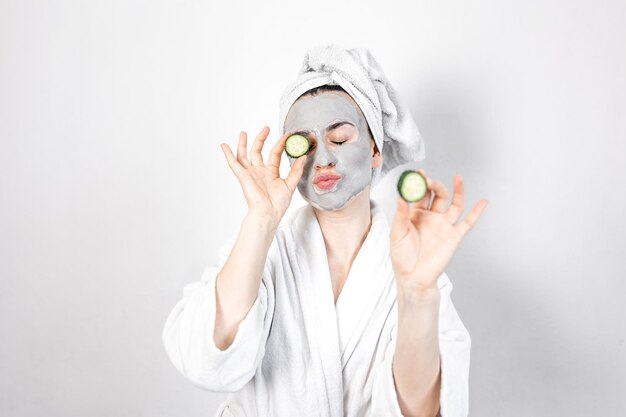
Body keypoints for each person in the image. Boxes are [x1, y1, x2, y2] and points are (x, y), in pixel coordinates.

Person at [162, 45, 488, 417]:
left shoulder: (417, 272)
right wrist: (261, 220)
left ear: (375, 150)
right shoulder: (265, 252)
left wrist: (415, 294)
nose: (324, 158)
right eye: (306, 144)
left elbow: (422, 411)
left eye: (340, 138)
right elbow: (207, 361)